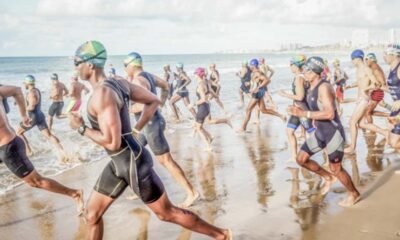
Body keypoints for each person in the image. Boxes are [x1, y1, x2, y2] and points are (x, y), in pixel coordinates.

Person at [69, 40, 232, 240]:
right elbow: (154, 100)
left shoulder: (102, 94)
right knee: (92, 215)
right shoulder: (118, 82)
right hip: (119, 163)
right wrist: (136, 128)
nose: (75, 68)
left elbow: (112, 142)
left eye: (77, 63)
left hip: (132, 163)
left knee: (167, 213)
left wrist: (81, 128)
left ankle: (222, 235)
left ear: (90, 65)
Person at [124, 52, 199, 207]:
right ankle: (140, 189)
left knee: (165, 160)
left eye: (125, 66)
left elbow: (146, 104)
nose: (125, 70)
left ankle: (192, 192)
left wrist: (128, 109)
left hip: (151, 125)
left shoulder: (138, 81)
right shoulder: (148, 76)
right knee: (132, 154)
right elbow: (165, 85)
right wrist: (162, 103)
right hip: (151, 123)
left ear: (131, 65)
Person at [288, 56, 360, 207]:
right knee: (301, 159)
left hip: (333, 134)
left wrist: (303, 114)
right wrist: (297, 111)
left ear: (316, 71)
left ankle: (354, 194)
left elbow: (329, 114)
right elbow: (312, 108)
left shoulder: (324, 87)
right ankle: (328, 177)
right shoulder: (311, 86)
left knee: (337, 168)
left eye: (307, 70)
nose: (304, 72)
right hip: (320, 133)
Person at [0, 84, 83, 214]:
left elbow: (17, 90)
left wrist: (23, 116)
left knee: (36, 182)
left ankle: (75, 194)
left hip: (9, 147)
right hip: (7, 144)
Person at [16, 75, 65, 158]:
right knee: (49, 135)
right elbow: (33, 103)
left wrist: (23, 108)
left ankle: (29, 152)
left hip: (33, 117)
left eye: (25, 83)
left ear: (28, 83)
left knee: (18, 132)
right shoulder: (36, 90)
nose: (24, 85)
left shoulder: (31, 92)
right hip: (39, 116)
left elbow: (32, 107)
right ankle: (63, 152)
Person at [279, 55, 315, 163]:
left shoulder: (299, 78)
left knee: (314, 135)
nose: (290, 67)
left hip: (302, 110)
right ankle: (294, 156)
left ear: (295, 65)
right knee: (289, 131)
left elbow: (300, 97)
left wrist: (284, 94)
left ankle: (329, 156)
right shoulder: (302, 76)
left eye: (291, 64)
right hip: (296, 109)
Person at [343, 50, 380, 154]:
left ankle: (352, 148)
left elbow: (376, 84)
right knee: (361, 124)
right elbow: (360, 82)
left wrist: (366, 89)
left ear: (357, 58)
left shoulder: (366, 69)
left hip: (364, 99)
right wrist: (349, 86)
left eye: (352, 59)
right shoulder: (358, 69)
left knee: (352, 122)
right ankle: (385, 132)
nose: (352, 62)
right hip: (360, 99)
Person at [191, 67, 232, 150]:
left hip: (202, 107)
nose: (194, 75)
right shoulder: (206, 82)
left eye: (195, 74)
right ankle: (210, 136)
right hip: (206, 106)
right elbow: (213, 93)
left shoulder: (200, 85)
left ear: (199, 74)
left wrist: (193, 104)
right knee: (200, 125)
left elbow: (202, 99)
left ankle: (208, 145)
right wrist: (213, 96)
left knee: (198, 128)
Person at [240, 59, 286, 132]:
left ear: (253, 66)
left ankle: (243, 128)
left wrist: (259, 87)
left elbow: (267, 80)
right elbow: (257, 81)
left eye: (250, 65)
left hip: (258, 93)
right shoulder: (255, 72)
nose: (249, 66)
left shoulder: (257, 73)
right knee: (263, 110)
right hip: (260, 92)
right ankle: (281, 116)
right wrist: (250, 84)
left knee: (248, 109)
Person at [383, 44, 400, 149]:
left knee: (394, 142)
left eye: (386, 54)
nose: (384, 56)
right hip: (396, 110)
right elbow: (395, 88)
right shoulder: (392, 68)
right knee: (390, 141)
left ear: (394, 54)